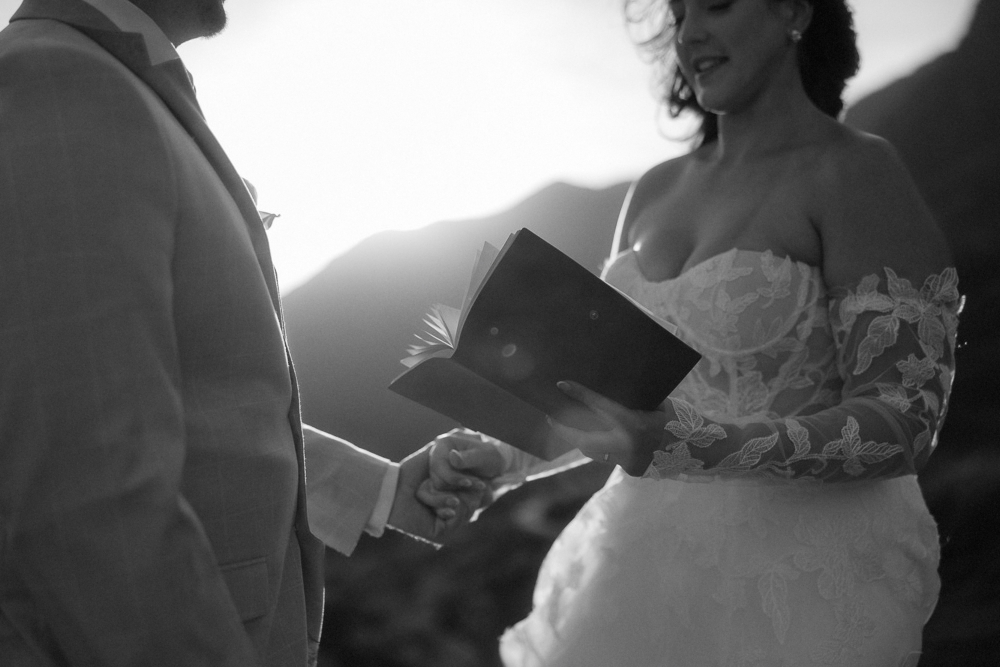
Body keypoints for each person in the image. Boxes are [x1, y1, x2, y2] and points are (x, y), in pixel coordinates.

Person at [429, 0, 963, 664]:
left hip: (797, 585)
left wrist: (703, 445)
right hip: (636, 575)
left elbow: (905, 420)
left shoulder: (856, 173)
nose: (690, 34)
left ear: (794, 11)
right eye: (680, 15)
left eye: (715, 5)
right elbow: (612, 397)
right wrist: (501, 460)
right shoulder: (653, 190)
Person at [0, 1, 497, 666]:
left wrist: (384, 490)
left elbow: (176, 400)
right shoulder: (57, 80)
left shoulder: (107, 83)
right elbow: (84, 479)